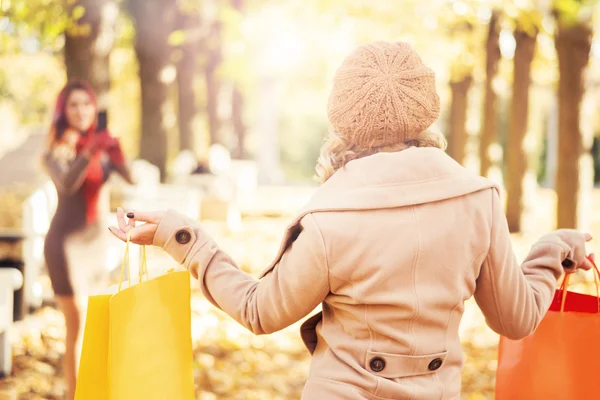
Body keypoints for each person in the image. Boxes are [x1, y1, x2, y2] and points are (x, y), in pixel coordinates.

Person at [109, 42, 594, 399]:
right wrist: (555, 249)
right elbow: (516, 318)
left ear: (342, 117)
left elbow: (261, 311)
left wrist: (185, 239)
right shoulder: (479, 201)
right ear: (427, 110)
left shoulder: (329, 217)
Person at [43, 80, 134, 400]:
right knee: (78, 326)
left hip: (97, 247)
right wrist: (92, 148)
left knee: (99, 322)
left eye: (87, 104)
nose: (81, 110)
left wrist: (114, 149)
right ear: (63, 112)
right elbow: (68, 184)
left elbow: (131, 176)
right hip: (66, 248)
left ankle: (96, 392)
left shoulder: (102, 147)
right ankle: (75, 395)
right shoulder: (56, 151)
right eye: (73, 105)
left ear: (95, 109)